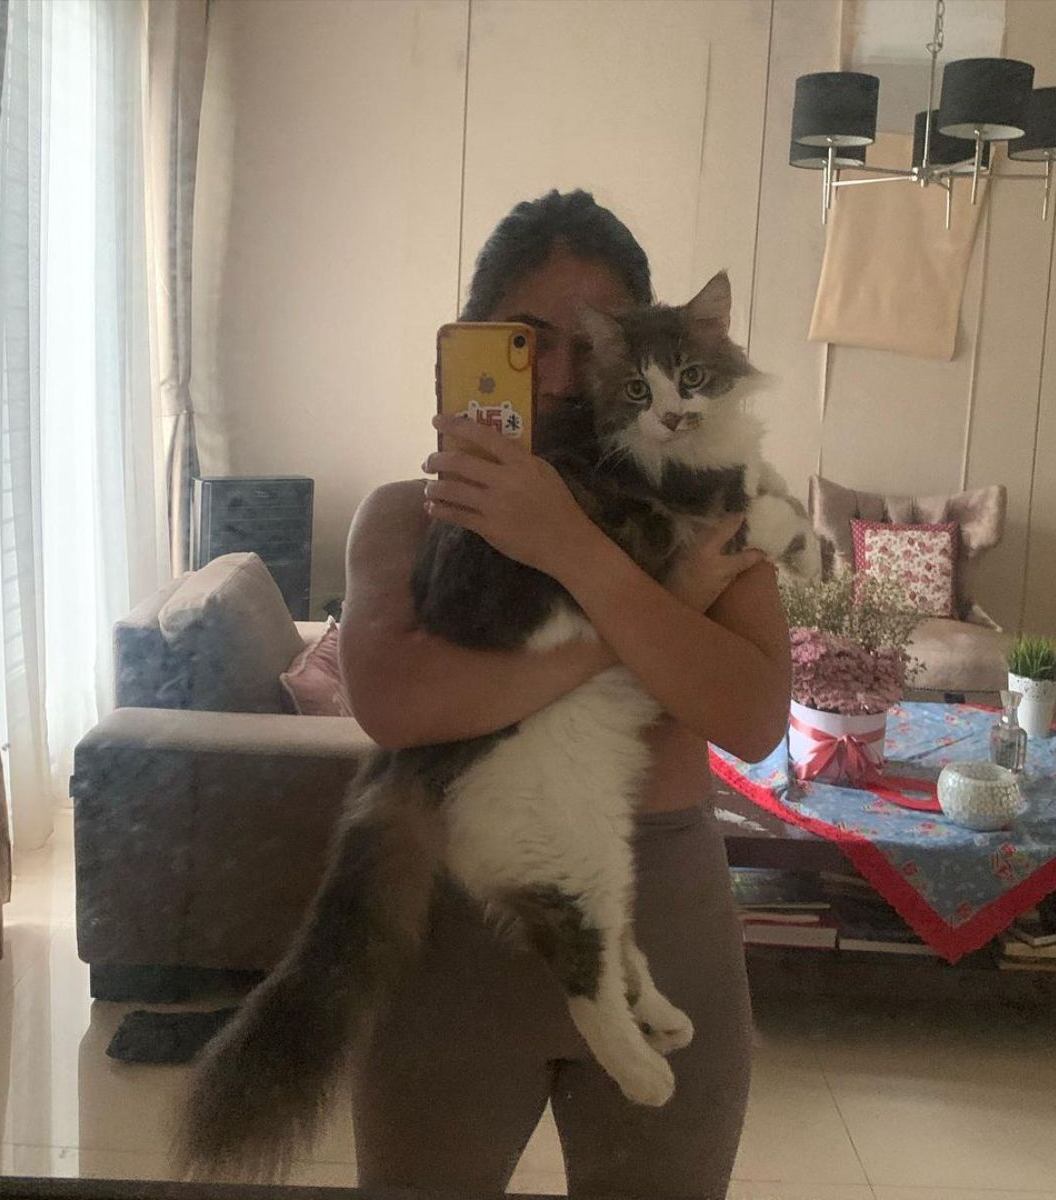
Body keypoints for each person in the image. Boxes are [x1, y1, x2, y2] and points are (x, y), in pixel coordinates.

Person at [338, 190, 791, 1200]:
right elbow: (400, 703)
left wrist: (574, 550)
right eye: (520, 342)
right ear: (468, 345)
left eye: (584, 350)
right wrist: (640, 606)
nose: (553, 378)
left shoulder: (720, 508)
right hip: (450, 940)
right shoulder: (402, 517)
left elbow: (753, 719)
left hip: (664, 921)